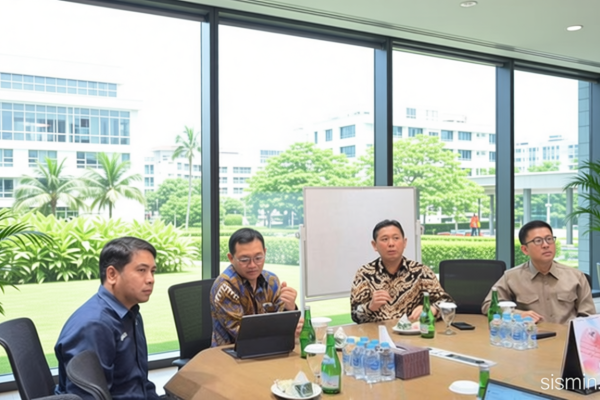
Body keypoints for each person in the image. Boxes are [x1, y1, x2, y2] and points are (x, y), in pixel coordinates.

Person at [55, 237, 160, 400]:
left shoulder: (131, 312)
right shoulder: (94, 325)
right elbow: (87, 397)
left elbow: (139, 382)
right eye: (141, 270)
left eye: (152, 271)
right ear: (112, 274)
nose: (150, 279)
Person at [482, 220, 595, 325]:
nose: (546, 245)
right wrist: (517, 314)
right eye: (538, 241)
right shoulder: (512, 277)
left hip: (567, 337)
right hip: (530, 336)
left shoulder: (576, 276)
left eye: (549, 239)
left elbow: (590, 317)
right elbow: (488, 305)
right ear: (525, 249)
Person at [210, 228, 301, 346]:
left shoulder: (271, 280)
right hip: (230, 352)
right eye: (244, 260)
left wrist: (290, 309)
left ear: (265, 253)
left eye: (258, 258)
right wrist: (283, 330)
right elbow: (242, 334)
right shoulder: (225, 287)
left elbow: (279, 318)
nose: (252, 265)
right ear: (231, 258)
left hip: (269, 348)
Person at [350, 219, 453, 324]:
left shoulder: (421, 272)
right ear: (374, 245)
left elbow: (447, 302)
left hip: (413, 331)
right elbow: (354, 315)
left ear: (404, 243)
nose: (391, 244)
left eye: (396, 238)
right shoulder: (364, 274)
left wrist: (432, 309)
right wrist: (370, 307)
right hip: (376, 332)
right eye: (385, 239)